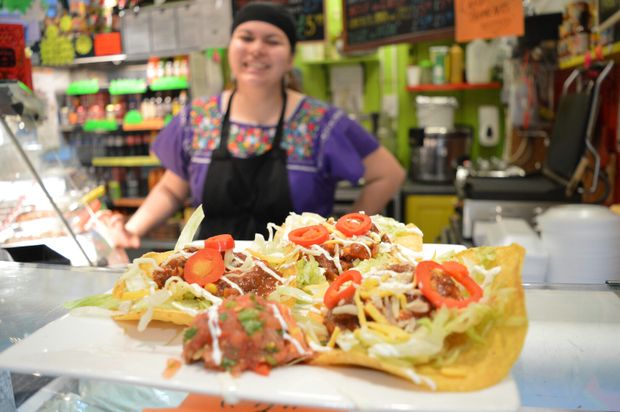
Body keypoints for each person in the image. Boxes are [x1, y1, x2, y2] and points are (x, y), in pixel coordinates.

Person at [110, 2, 405, 246]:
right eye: (246, 38)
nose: (256, 49)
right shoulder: (198, 118)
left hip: (297, 281)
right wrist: (131, 230)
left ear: (290, 59)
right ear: (230, 47)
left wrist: (344, 236)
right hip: (211, 277)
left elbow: (388, 174)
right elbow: (172, 189)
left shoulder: (320, 123)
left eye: (272, 41)